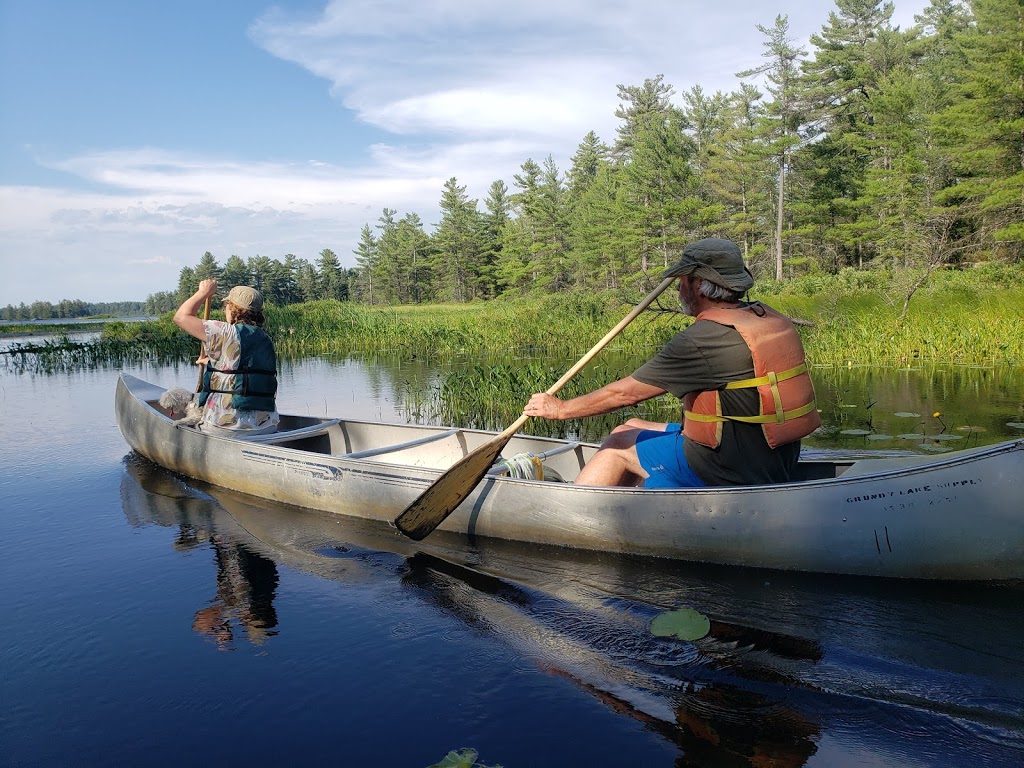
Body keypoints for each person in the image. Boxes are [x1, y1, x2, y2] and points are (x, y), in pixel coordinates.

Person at [524, 238, 820, 488]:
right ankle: (631, 501)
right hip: (774, 456)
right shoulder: (766, 318)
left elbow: (624, 394)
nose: (678, 290)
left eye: (682, 282)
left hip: (730, 467)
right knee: (627, 428)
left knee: (616, 448)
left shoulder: (703, 339)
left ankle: (577, 513)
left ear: (700, 285)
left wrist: (560, 409)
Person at [173, 279, 279, 436]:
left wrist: (204, 292)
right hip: (267, 426)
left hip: (225, 428)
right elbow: (244, 368)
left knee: (191, 408)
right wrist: (211, 362)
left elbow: (181, 317)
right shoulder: (263, 337)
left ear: (232, 308)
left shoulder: (224, 331)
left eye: (226, 306)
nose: (225, 310)